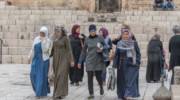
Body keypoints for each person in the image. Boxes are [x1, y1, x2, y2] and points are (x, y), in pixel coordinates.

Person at [78, 24, 105, 99]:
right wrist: (80, 62)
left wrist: (102, 49)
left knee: (98, 77)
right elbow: (83, 51)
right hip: (89, 60)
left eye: (94, 31)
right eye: (91, 31)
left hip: (98, 60)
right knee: (89, 78)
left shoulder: (100, 38)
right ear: (89, 31)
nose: (92, 32)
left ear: (95, 31)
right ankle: (91, 93)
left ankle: (101, 86)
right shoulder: (87, 39)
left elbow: (106, 46)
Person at [113, 27, 141, 100]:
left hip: (132, 64)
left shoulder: (134, 43)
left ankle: (128, 94)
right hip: (122, 64)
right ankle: (122, 94)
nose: (125, 36)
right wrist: (114, 65)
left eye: (127, 34)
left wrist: (137, 63)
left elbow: (138, 54)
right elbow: (117, 54)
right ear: (122, 35)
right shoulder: (119, 43)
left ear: (129, 35)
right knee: (122, 80)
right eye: (124, 34)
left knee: (130, 79)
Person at [51, 26, 74, 99]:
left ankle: (58, 93)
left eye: (58, 31)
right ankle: (59, 93)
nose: (57, 33)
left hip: (64, 60)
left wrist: (71, 60)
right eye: (56, 31)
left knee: (61, 76)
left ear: (62, 32)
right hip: (56, 60)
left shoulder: (65, 39)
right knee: (57, 76)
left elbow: (69, 50)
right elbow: (51, 49)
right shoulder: (54, 39)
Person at [28, 26, 52, 98]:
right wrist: (29, 56)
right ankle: (38, 90)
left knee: (41, 77)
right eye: (40, 32)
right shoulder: (36, 39)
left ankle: (38, 94)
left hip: (44, 61)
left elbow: (46, 51)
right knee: (33, 75)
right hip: (36, 60)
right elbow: (32, 49)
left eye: (43, 33)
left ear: (45, 33)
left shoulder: (48, 41)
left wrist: (43, 42)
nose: (41, 34)